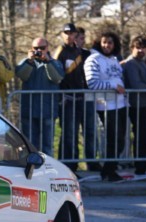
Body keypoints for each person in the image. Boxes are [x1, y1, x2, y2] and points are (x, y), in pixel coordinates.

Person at [84, 31, 128, 182]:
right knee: (114, 139)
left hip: (121, 103)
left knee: (120, 140)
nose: (107, 45)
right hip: (106, 105)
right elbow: (92, 83)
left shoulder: (114, 60)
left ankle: (109, 170)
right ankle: (109, 171)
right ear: (99, 43)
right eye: (104, 42)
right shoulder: (93, 59)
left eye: (110, 42)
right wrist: (113, 85)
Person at [15, 37, 64, 157]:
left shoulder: (55, 63)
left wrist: (47, 62)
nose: (39, 50)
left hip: (48, 110)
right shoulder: (26, 62)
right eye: (36, 48)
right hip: (29, 110)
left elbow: (57, 78)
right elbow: (22, 75)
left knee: (47, 145)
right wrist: (29, 61)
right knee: (30, 145)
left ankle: (48, 167)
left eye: (42, 48)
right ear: (31, 48)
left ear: (47, 48)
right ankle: (32, 166)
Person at [53, 23, 91, 173]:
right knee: (68, 133)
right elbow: (56, 75)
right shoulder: (60, 51)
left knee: (75, 134)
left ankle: (73, 166)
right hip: (66, 98)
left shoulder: (78, 51)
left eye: (71, 33)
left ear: (75, 34)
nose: (69, 36)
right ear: (62, 35)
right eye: (66, 33)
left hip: (80, 97)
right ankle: (66, 167)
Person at [122, 36, 146, 176]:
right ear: (132, 48)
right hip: (136, 104)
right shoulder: (131, 63)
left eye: (143, 48)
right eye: (138, 47)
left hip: (145, 104)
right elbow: (136, 84)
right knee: (141, 135)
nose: (141, 50)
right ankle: (140, 166)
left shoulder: (143, 62)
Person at [75, 26, 101, 172]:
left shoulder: (89, 54)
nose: (82, 41)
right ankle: (71, 162)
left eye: (83, 38)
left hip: (88, 96)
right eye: (80, 38)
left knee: (90, 130)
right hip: (72, 97)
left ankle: (91, 160)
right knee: (71, 131)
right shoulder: (66, 53)